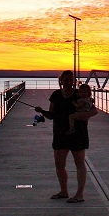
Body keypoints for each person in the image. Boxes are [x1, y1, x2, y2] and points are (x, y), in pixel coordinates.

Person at [34, 70, 98, 203]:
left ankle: (79, 194)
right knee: (59, 165)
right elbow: (51, 115)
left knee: (79, 163)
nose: (68, 82)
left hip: (78, 133)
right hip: (59, 133)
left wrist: (81, 116)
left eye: (71, 80)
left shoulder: (79, 94)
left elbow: (94, 111)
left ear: (74, 81)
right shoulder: (56, 95)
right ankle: (64, 191)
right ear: (61, 81)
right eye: (66, 80)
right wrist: (42, 111)